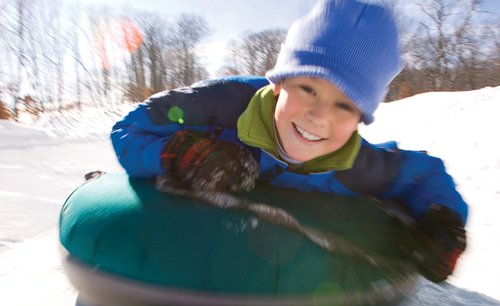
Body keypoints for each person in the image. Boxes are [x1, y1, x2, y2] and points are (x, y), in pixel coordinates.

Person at [110, 0, 467, 283]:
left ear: (361, 119)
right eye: (308, 89)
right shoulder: (219, 106)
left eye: (345, 105)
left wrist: (443, 222)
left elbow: (425, 175)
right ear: (280, 83)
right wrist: (181, 153)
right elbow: (129, 129)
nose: (319, 115)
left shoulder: (357, 166)